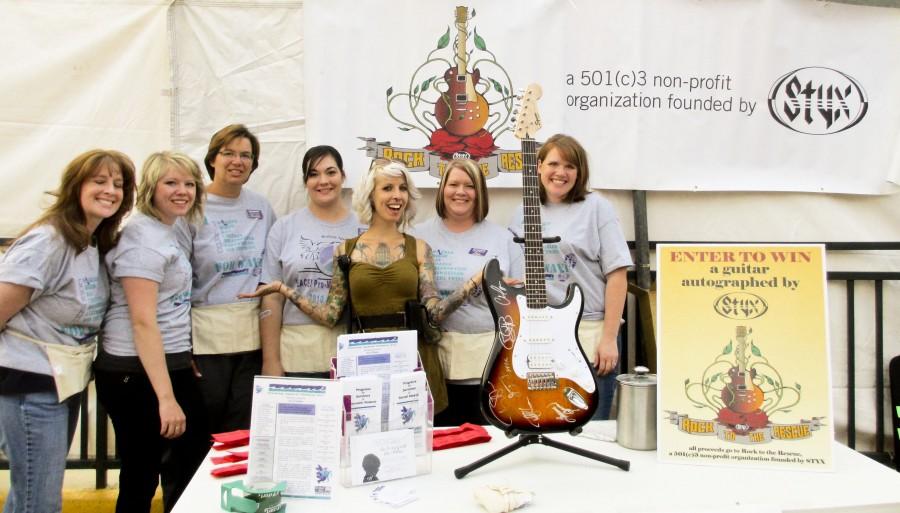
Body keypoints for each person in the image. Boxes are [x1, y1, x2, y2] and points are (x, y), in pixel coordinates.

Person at [242, 159, 482, 414]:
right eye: (387, 188)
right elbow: (330, 315)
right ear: (370, 195)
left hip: (412, 361)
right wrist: (283, 289)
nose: (396, 196)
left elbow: (434, 314)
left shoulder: (420, 249)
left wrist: (475, 282)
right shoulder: (346, 251)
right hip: (365, 363)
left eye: (402, 188)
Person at [0, 150, 135, 513]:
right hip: (30, 382)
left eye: (118, 184)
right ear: (76, 186)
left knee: (31, 496)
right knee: (39, 502)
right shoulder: (48, 241)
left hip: (64, 380)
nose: (110, 190)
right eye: (100, 181)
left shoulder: (91, 242)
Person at [95, 151, 208, 513]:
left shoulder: (168, 227)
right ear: (151, 187)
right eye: (171, 182)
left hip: (165, 362)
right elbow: (143, 322)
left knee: (191, 456)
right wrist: (165, 397)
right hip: (132, 371)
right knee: (142, 474)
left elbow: (170, 307)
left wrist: (181, 357)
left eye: (189, 183)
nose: (182, 191)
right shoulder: (142, 238)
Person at [508, 134, 633, 419]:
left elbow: (617, 274)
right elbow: (517, 278)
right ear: (538, 167)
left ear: (580, 172)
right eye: (553, 163)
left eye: (570, 166)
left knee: (590, 425)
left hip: (590, 332)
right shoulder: (522, 213)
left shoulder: (597, 207)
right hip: (542, 337)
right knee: (545, 419)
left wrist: (609, 338)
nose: (560, 173)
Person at [175, 124, 275, 434]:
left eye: (246, 155)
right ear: (212, 159)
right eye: (228, 153)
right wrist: (183, 345)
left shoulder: (261, 207)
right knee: (201, 430)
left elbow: (270, 271)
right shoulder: (191, 207)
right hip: (205, 339)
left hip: (251, 339)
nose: (237, 161)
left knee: (241, 430)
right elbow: (176, 282)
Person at [410, 159, 515, 426]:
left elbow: (517, 297)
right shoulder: (416, 236)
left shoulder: (502, 238)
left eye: (469, 186)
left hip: (486, 361)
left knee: (484, 442)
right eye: (453, 184)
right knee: (441, 444)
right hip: (434, 360)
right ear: (442, 188)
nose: (461, 191)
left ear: (480, 193)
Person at [259, 145, 364, 378]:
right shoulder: (284, 228)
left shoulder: (364, 228)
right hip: (297, 358)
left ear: (343, 176)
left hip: (352, 359)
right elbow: (272, 300)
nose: (323, 181)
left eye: (330, 172)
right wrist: (270, 361)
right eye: (313, 174)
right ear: (305, 181)